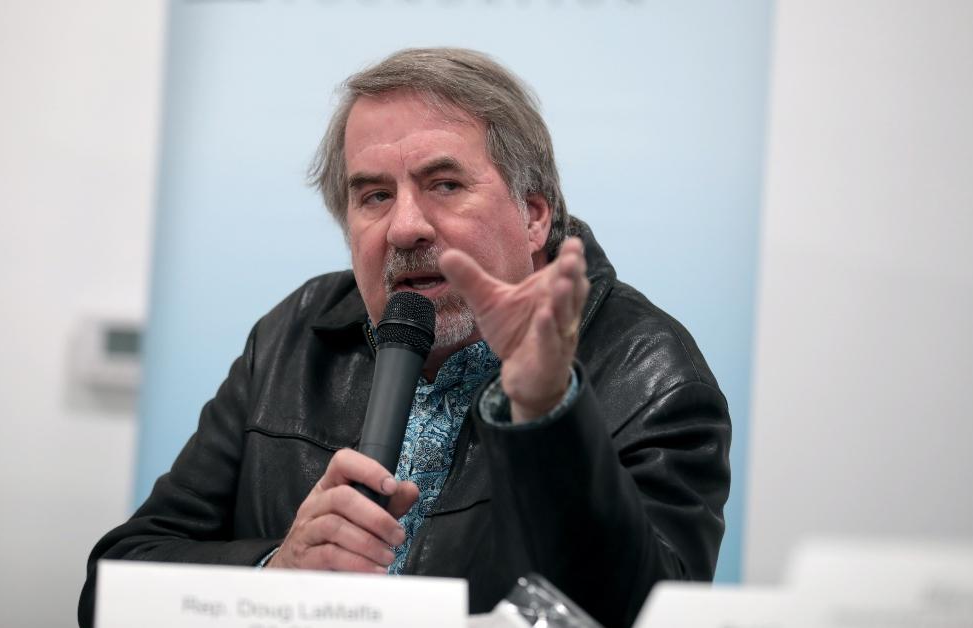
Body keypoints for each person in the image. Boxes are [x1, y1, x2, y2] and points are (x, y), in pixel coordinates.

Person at [78, 48, 730, 628]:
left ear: (535, 214)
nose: (405, 228)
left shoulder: (652, 370)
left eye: (444, 185)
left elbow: (645, 614)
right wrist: (274, 575)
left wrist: (546, 412)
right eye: (374, 196)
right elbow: (115, 583)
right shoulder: (291, 336)